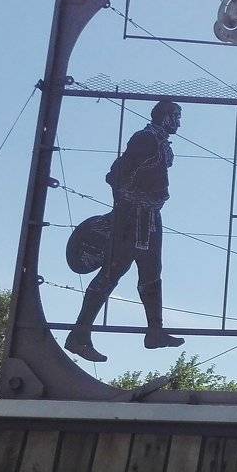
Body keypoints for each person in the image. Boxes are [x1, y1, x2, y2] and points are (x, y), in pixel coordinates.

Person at [64, 100, 185, 362]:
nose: (178, 123)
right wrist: (132, 201)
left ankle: (155, 332)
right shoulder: (145, 139)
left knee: (151, 272)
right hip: (132, 216)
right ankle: (79, 335)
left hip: (150, 216)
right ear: (165, 117)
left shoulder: (160, 143)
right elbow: (116, 175)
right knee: (113, 270)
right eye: (176, 116)